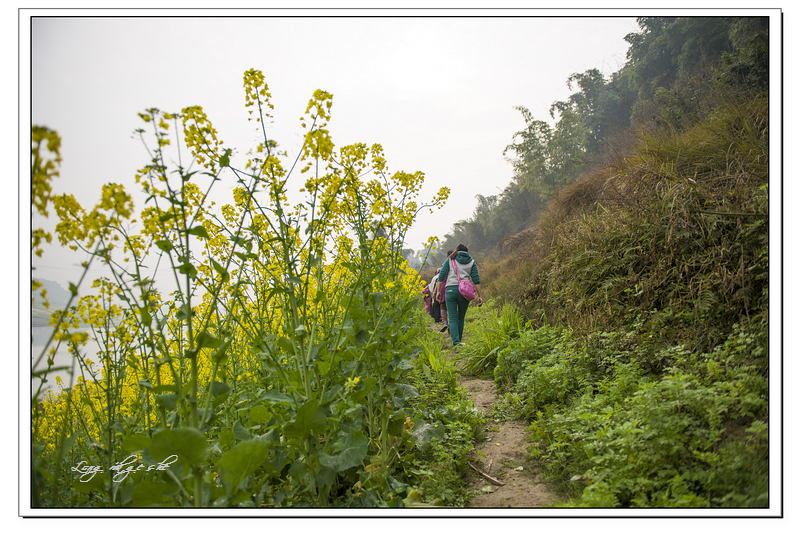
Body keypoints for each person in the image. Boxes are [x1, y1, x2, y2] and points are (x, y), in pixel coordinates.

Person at [437, 244, 484, 346]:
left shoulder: (450, 259)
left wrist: (438, 291)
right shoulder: (471, 261)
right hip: (464, 292)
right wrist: (480, 296)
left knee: (452, 318)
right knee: (460, 318)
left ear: (456, 250)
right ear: (466, 252)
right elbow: (476, 280)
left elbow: (441, 276)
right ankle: (460, 341)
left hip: (450, 291)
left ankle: (456, 343)